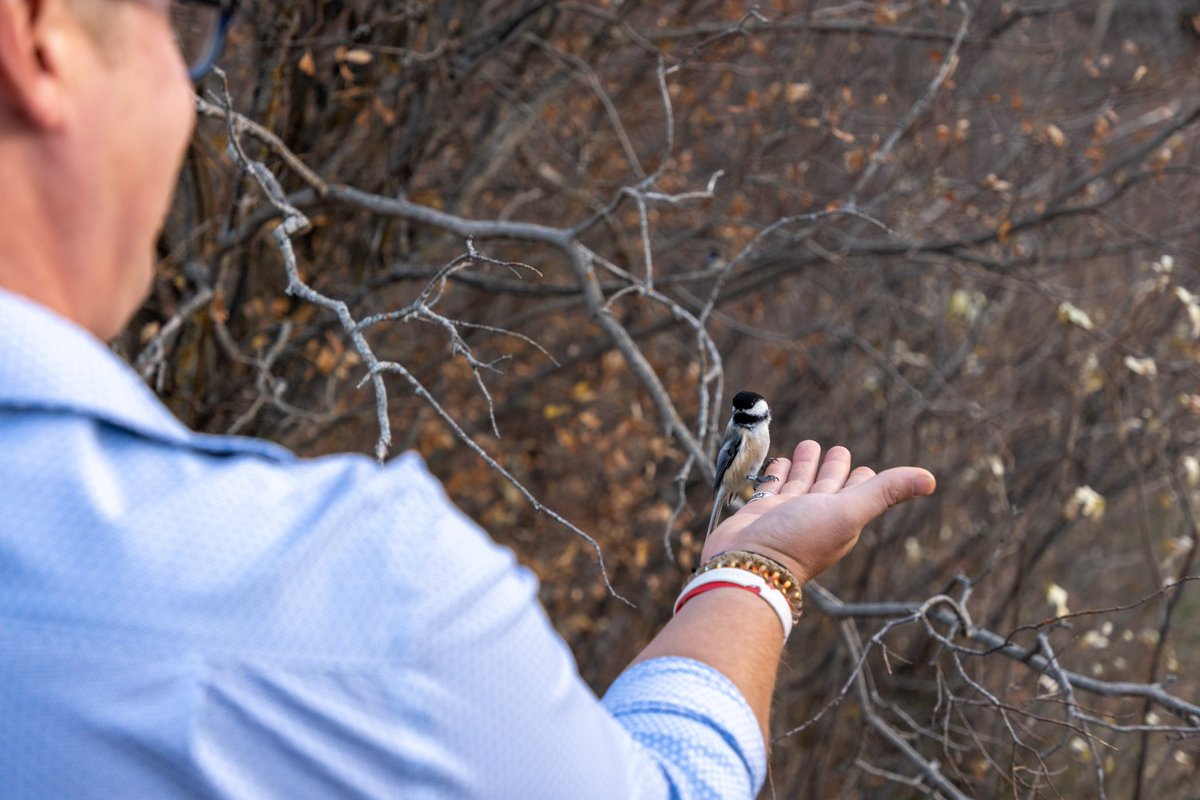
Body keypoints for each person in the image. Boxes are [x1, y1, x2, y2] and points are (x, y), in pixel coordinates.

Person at [0, 1, 937, 797]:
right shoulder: (347, 597)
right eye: (181, 23)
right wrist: (756, 574)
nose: (191, 90)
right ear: (36, 35)